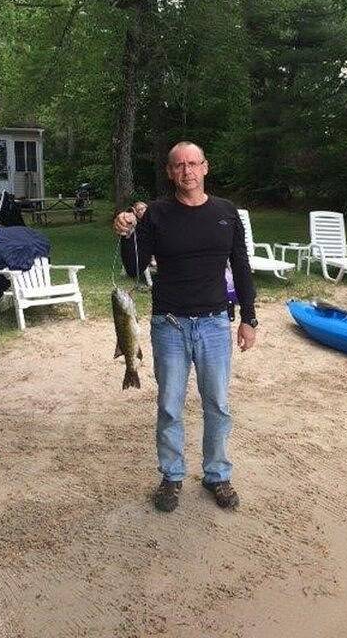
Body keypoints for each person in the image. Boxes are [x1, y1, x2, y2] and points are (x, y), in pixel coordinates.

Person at [113, 141, 257, 512]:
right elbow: (134, 267)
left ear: (205, 168)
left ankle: (217, 475)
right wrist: (127, 233)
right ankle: (172, 476)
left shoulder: (226, 213)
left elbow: (241, 267)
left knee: (218, 405)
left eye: (194, 164)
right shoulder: (156, 215)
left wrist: (249, 318)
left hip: (213, 324)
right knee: (170, 406)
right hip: (170, 324)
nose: (187, 172)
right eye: (179, 166)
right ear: (169, 172)